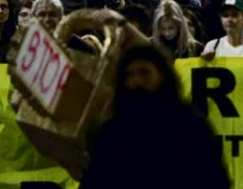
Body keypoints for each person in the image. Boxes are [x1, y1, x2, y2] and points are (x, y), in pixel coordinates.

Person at [81, 45, 230, 189]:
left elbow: (213, 178)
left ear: (162, 75)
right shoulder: (112, 132)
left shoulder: (190, 127)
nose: (137, 81)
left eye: (144, 72)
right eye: (130, 75)